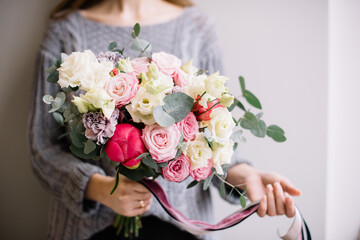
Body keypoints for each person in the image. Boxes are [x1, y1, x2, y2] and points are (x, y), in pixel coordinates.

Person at [29, 0, 302, 239]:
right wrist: (98, 188)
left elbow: (212, 141)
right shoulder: (65, 31)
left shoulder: (196, 26)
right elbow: (43, 147)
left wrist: (248, 176)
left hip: (183, 231)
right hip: (89, 230)